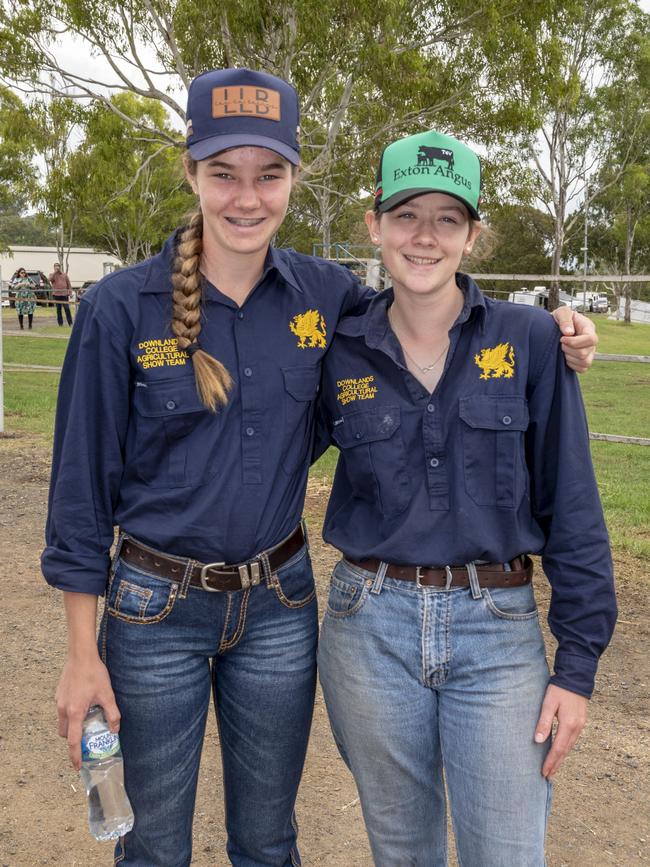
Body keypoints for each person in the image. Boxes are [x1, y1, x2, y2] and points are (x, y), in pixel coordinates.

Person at [43, 69, 598, 867]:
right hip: (150, 610)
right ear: (191, 173)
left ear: (294, 179)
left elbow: (435, 314)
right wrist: (79, 652)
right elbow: (79, 496)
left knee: (269, 842)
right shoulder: (118, 310)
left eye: (269, 174)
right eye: (223, 173)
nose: (247, 197)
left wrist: (554, 331)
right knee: (151, 847)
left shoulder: (327, 296)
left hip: (278, 606)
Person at [316, 130, 617, 867]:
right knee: (403, 852)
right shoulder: (336, 343)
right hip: (369, 625)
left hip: (498, 630)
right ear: (374, 224)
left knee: (507, 852)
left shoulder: (528, 340)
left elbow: (572, 504)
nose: (424, 236)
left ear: (473, 235)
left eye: (447, 219)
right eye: (406, 214)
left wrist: (576, 668)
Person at [49, 262, 73, 326]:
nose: (57, 267)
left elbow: (69, 285)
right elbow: (50, 280)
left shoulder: (64, 275)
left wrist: (70, 293)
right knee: (58, 309)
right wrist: (55, 272)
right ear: (54, 267)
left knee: (67, 309)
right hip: (57, 295)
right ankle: (60, 324)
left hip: (64, 295)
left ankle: (70, 323)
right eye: (55, 266)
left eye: (58, 266)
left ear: (60, 267)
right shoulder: (52, 274)